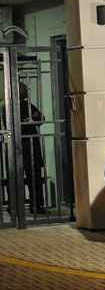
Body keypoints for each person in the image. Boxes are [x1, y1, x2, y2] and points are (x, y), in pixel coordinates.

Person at [19, 82, 46, 214]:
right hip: (26, 145)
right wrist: (29, 120)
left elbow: (41, 117)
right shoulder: (10, 107)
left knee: (31, 177)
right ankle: (36, 206)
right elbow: (38, 118)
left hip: (25, 146)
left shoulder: (27, 105)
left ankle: (31, 206)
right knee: (33, 177)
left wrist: (27, 120)